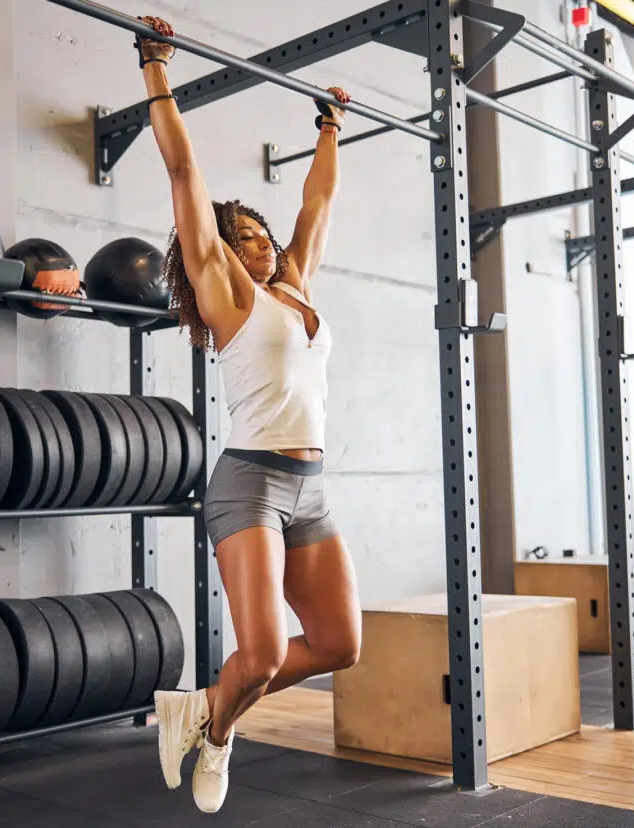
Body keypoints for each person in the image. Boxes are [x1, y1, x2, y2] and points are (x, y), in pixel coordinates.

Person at [136, 15, 362, 814]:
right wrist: (155, 67)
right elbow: (183, 167)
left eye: (261, 231)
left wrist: (330, 124)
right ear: (220, 252)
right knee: (262, 654)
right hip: (251, 484)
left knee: (340, 643)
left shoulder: (295, 284)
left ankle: (200, 706)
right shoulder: (226, 297)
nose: (258, 239)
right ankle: (219, 732)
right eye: (240, 234)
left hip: (314, 485)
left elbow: (320, 197)